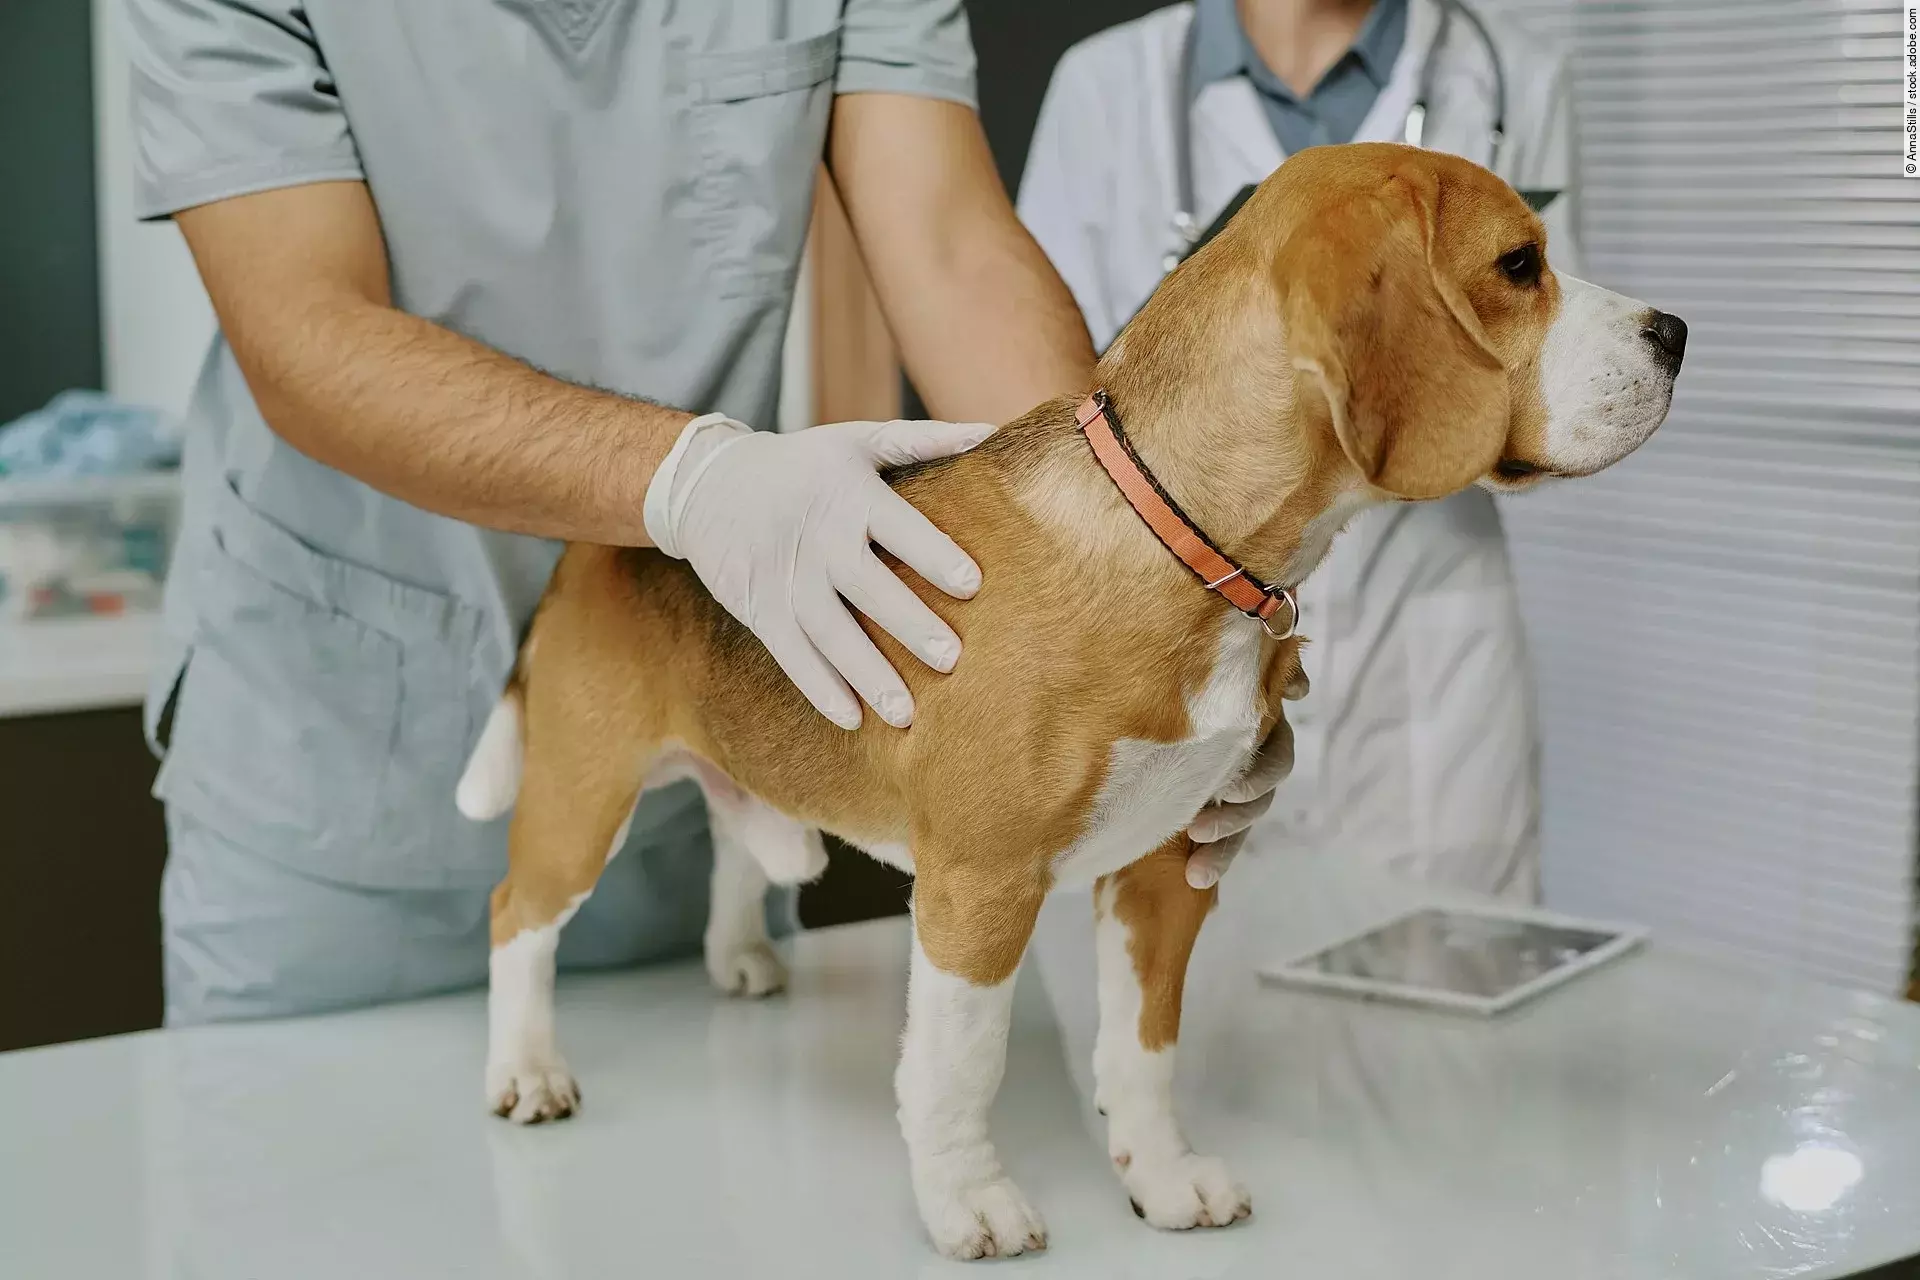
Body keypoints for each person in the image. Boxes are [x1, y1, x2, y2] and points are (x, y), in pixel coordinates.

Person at [128, 0, 1281, 1025]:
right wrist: (693, 478)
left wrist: (1145, 596)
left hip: (705, 765)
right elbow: (307, 337)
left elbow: (948, 248)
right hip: (333, 791)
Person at [1020, 0, 1584, 899]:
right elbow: (1043, 402)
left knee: (1442, 1016)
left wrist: (1419, 380)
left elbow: (1548, 380)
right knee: (1167, 1009)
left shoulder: (1512, 77)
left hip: (1427, 656)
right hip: (1171, 648)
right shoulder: (1105, 88)